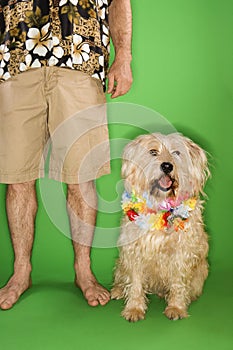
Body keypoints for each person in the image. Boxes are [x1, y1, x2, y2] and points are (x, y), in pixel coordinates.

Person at [0, 0, 132, 309]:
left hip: (80, 59)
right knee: (17, 177)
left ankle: (83, 271)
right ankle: (21, 272)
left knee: (80, 175)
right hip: (15, 61)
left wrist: (123, 56)